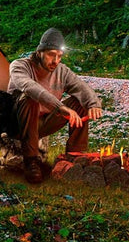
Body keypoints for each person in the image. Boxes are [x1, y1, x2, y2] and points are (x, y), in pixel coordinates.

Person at [8, 27, 102, 184]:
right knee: (29, 97)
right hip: (17, 124)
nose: (56, 61)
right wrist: (60, 107)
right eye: (51, 55)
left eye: (59, 56)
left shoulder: (61, 71)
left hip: (44, 123)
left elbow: (81, 87)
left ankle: (74, 156)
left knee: (81, 102)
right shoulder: (20, 66)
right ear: (40, 52)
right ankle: (31, 161)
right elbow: (30, 87)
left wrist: (93, 104)